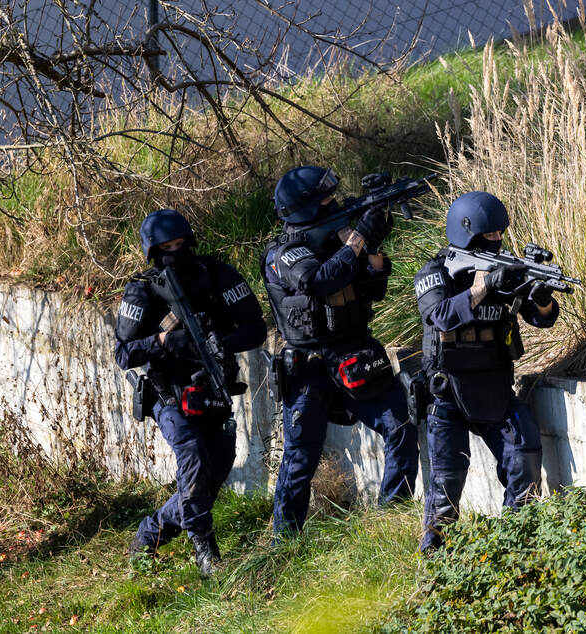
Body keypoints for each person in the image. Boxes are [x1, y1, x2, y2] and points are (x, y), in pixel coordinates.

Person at [261, 165, 419, 538]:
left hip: (355, 356)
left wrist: (372, 246)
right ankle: (284, 544)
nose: (333, 203)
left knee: (400, 425)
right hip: (309, 368)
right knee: (300, 460)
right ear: (303, 210)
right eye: (325, 200)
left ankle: (390, 522)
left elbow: (373, 288)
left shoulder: (337, 239)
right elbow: (319, 280)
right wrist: (356, 239)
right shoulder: (283, 253)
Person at [115, 208, 267, 576]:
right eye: (167, 248)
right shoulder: (142, 290)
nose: (176, 252)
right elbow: (123, 353)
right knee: (194, 461)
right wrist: (165, 340)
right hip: (169, 394)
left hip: (213, 389)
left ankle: (150, 534)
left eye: (181, 244)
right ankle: (206, 552)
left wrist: (221, 342)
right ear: (153, 253)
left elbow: (256, 328)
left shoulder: (217, 275)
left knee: (211, 474)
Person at [413, 191, 559, 552]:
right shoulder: (435, 272)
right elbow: (440, 316)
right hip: (446, 393)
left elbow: (544, 320)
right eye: (489, 237)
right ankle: (434, 559)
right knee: (447, 480)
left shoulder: (503, 272)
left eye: (499, 235)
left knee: (524, 455)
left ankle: (515, 546)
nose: (497, 241)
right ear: (467, 235)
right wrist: (481, 287)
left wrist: (540, 297)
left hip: (494, 389)